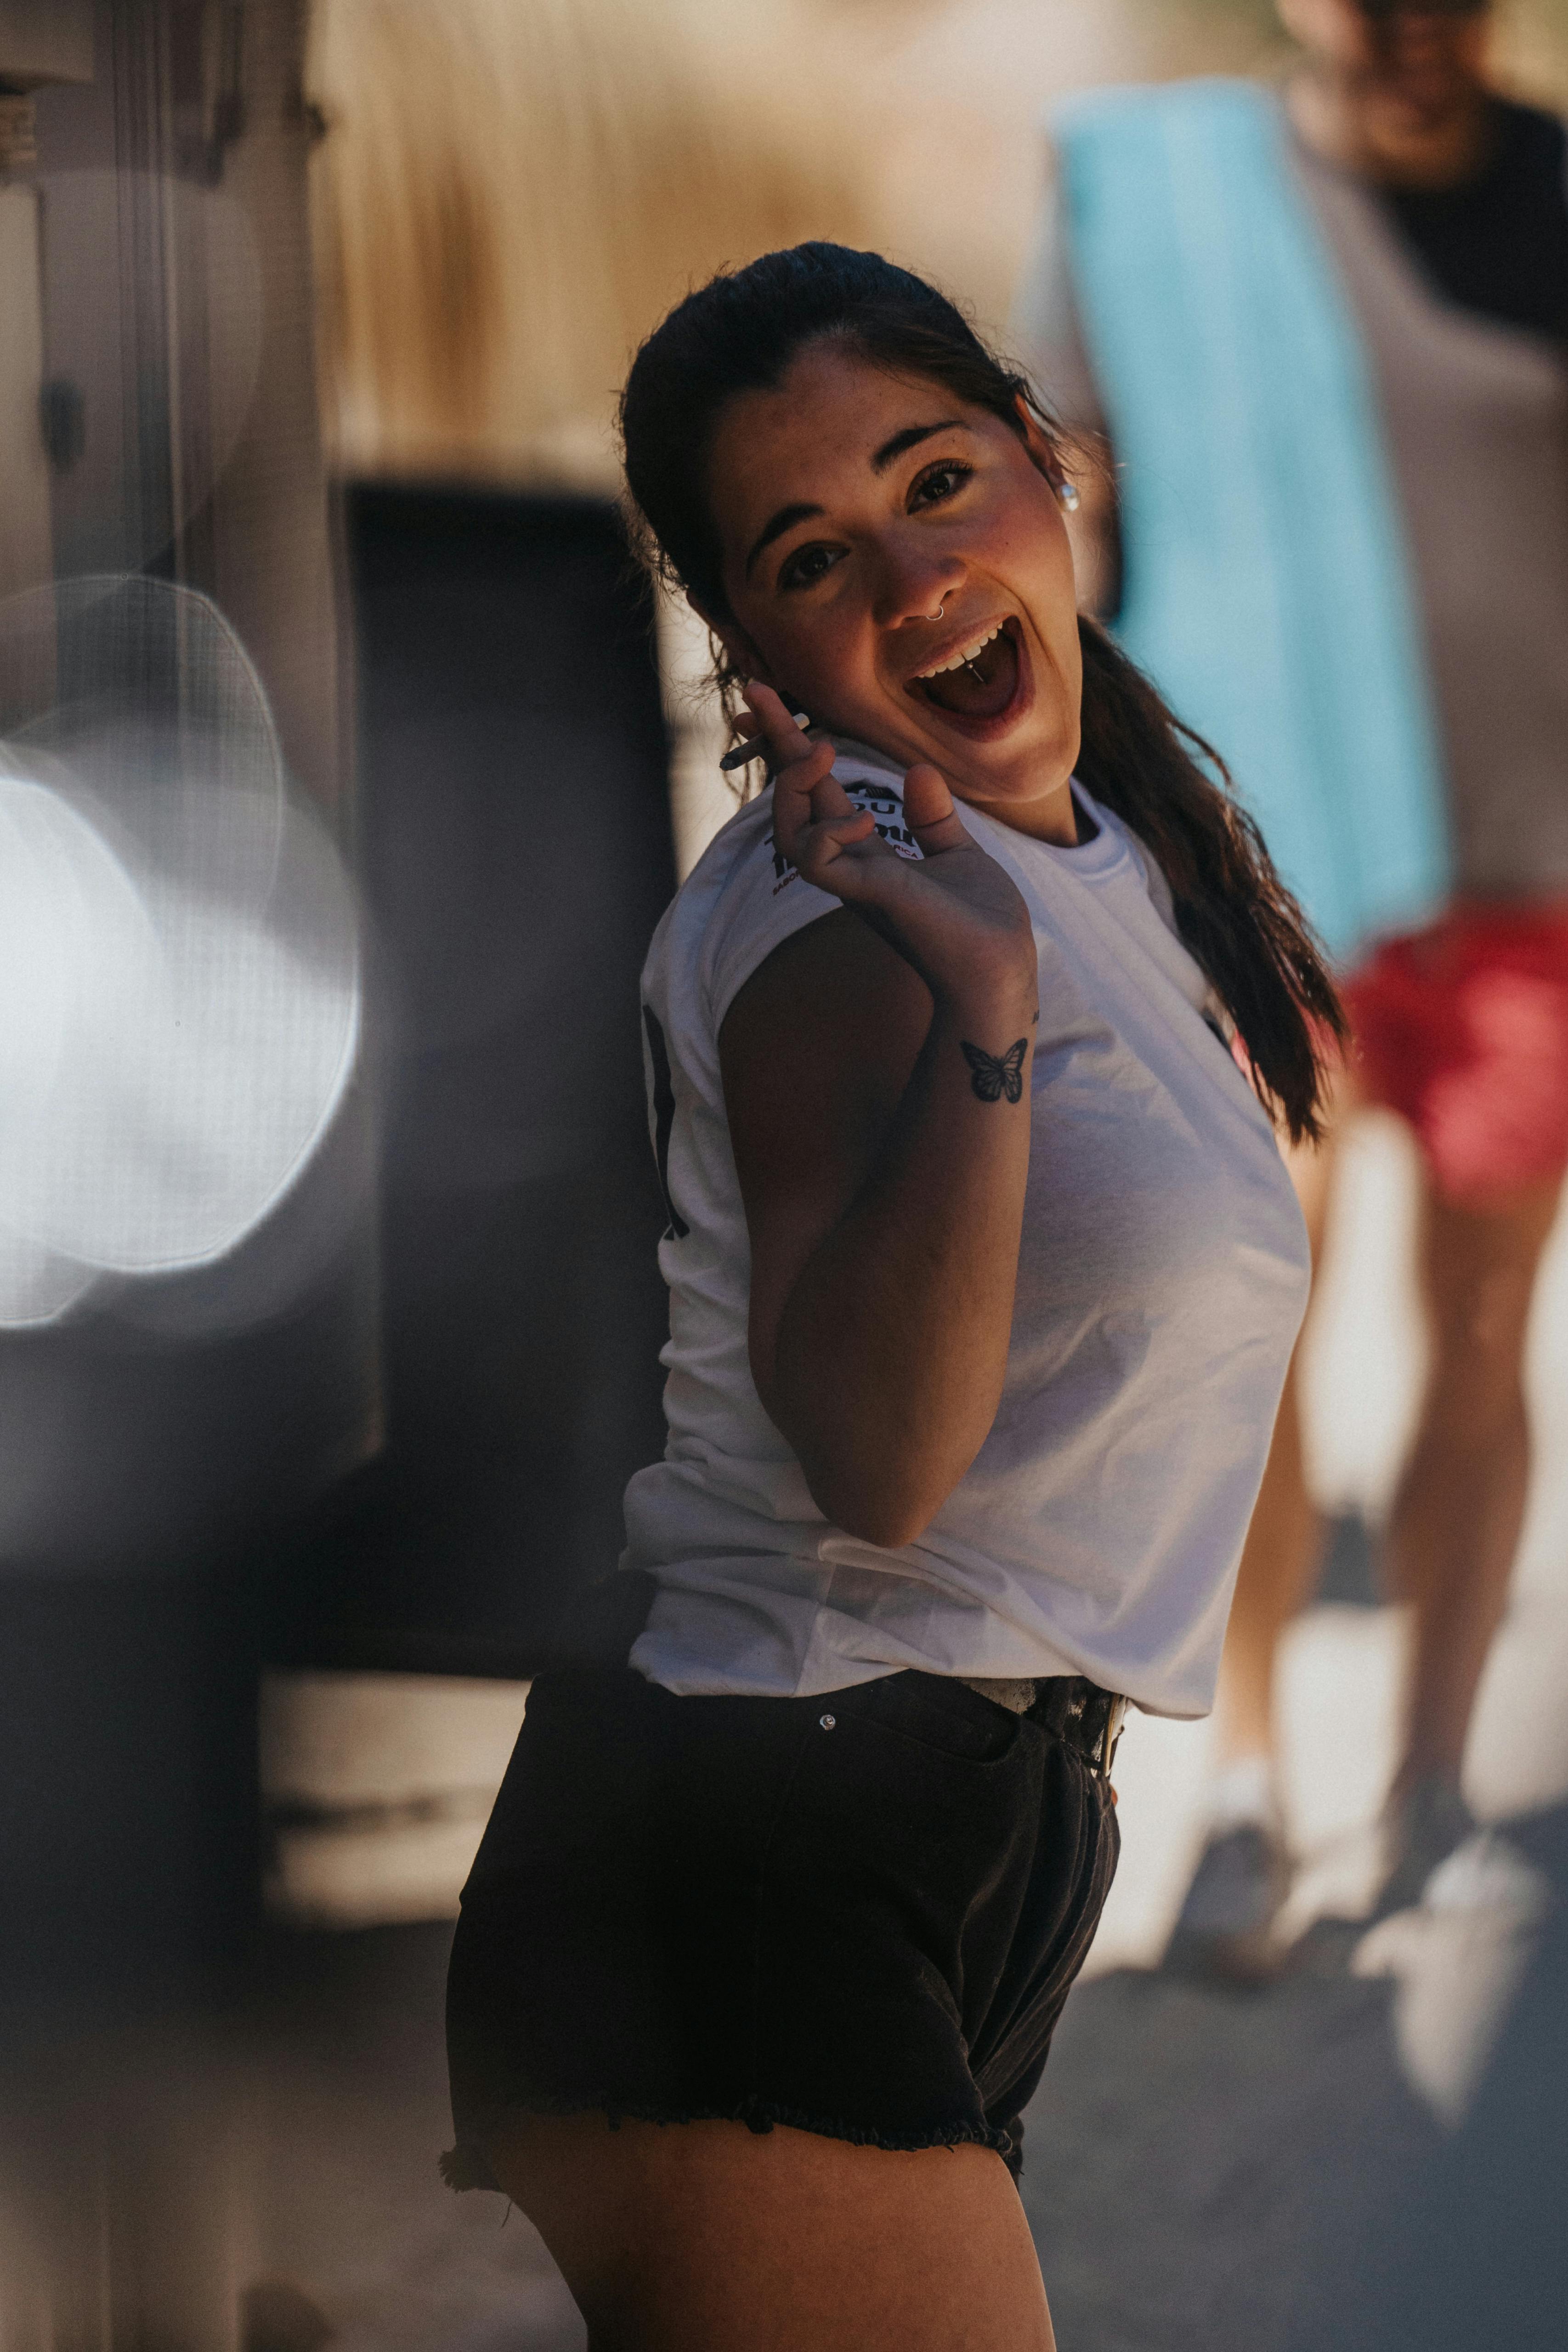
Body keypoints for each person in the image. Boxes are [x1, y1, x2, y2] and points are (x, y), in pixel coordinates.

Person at [441, 243, 1340, 2349]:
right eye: (809, 552)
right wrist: (984, 1021)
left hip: (931, 1841)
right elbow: (880, 1463)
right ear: (739, 636)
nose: (912, 574)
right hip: (757, 1847)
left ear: (1045, 456)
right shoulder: (839, 931)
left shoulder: (1088, 836)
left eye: (938, 479)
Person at [1014, 0, 1568, 1973]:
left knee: (1482, 1329)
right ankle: (1246, 1787)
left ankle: (1419, 1794)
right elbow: (1052, 520)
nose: (1413, 25)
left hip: (1528, 876)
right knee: (1258, 1315)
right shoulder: (1155, 199)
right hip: (1265, 864)